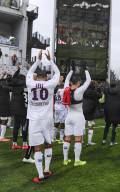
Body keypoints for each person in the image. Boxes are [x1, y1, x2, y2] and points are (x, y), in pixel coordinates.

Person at [26, 50, 60, 183]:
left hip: (34, 121)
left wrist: (38, 60)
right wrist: (50, 60)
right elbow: (57, 73)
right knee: (49, 143)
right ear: (46, 77)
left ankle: (40, 175)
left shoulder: (30, 83)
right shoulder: (50, 84)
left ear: (36, 77)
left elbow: (29, 73)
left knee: (37, 147)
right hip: (47, 120)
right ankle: (47, 169)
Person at [62, 62, 91, 167]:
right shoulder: (79, 91)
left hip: (68, 117)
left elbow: (66, 80)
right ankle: (77, 160)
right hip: (78, 117)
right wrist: (85, 69)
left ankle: (65, 160)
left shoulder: (66, 88)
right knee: (78, 139)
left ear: (70, 82)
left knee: (67, 138)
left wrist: (71, 70)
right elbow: (88, 80)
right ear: (78, 83)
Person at [9, 65, 29, 149]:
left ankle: (14, 143)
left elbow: (13, 78)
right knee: (24, 127)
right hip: (23, 110)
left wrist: (18, 70)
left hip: (14, 109)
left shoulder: (14, 86)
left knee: (16, 127)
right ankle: (24, 144)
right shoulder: (26, 86)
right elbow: (27, 100)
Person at [83, 81, 101, 146]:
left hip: (83, 109)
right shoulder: (94, 92)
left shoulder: (84, 91)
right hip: (91, 110)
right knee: (91, 126)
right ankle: (89, 141)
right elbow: (100, 96)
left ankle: (81, 141)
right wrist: (98, 89)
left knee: (82, 126)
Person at [52, 76, 67, 144]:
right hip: (62, 108)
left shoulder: (57, 90)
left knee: (56, 122)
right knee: (62, 123)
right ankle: (61, 139)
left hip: (56, 107)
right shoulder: (63, 91)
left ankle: (53, 137)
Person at [0, 72, 11, 142]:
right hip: (5, 105)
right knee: (4, 121)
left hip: (2, 104)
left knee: (1, 120)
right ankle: (1, 137)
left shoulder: (1, 86)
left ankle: (1, 136)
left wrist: (3, 75)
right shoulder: (7, 87)